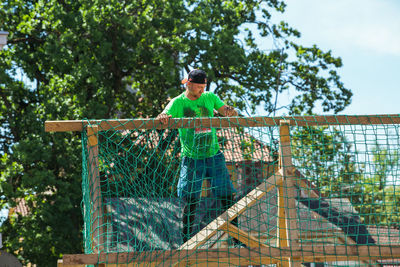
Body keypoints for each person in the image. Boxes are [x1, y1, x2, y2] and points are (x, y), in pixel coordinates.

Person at [157, 69, 239, 244]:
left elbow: (225, 110)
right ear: (189, 84)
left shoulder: (209, 97)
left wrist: (230, 111)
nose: (202, 90)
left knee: (226, 195)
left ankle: (237, 237)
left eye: (204, 87)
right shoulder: (178, 102)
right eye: (199, 88)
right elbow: (164, 114)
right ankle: (186, 240)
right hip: (192, 158)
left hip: (213, 154)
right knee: (191, 200)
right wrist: (163, 116)